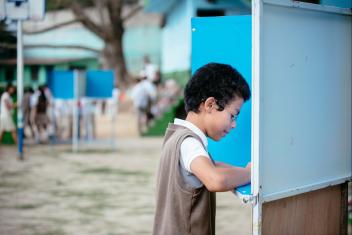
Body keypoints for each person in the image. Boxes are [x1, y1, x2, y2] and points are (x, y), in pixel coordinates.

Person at [153, 63, 251, 235]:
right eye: (233, 115)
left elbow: (214, 166)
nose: (234, 124)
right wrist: (251, 174)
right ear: (210, 105)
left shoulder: (176, 136)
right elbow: (215, 179)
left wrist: (244, 170)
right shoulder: (189, 143)